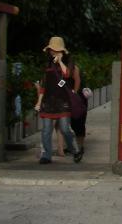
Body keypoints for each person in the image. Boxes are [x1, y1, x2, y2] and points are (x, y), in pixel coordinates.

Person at [35, 36, 82, 164]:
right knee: (46, 130)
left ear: (62, 51)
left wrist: (60, 61)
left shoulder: (69, 63)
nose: (53, 52)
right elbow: (43, 85)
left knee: (65, 128)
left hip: (63, 102)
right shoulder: (47, 64)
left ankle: (75, 150)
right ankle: (46, 155)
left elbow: (67, 74)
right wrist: (39, 101)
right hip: (48, 102)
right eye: (52, 49)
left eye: (56, 50)